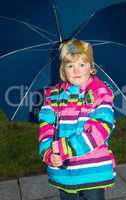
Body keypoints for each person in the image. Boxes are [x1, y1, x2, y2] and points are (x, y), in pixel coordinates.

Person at [38, 39, 116, 200]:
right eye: (70, 65)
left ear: (91, 66)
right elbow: (45, 129)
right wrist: (49, 153)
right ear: (63, 69)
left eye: (82, 64)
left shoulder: (100, 93)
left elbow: (102, 128)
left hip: (92, 172)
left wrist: (66, 148)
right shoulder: (53, 96)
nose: (76, 71)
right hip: (63, 173)